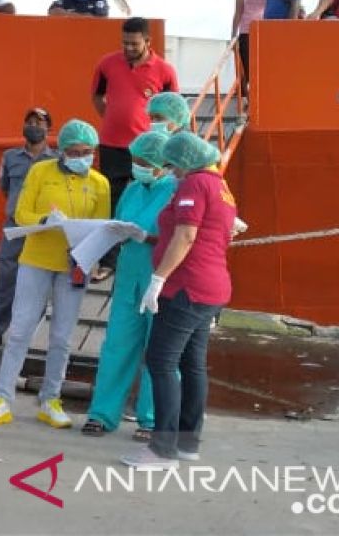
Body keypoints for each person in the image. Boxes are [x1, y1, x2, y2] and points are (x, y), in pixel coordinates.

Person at [0, 119, 110, 429]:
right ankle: (2, 398)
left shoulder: (100, 183)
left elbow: (100, 227)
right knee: (21, 330)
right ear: (62, 151)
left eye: (87, 151)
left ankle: (51, 399)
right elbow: (20, 213)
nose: (81, 157)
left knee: (62, 337)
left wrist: (85, 251)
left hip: (75, 264)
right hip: (36, 259)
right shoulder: (40, 172)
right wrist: (44, 219)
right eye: (75, 152)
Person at [122, 132, 236, 469]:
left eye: (172, 165)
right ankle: (188, 440)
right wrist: (152, 238)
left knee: (160, 361)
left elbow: (187, 235)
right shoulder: (221, 186)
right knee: (192, 363)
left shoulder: (194, 185)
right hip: (211, 286)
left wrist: (158, 279)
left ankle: (162, 448)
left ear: (185, 161)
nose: (170, 172)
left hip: (186, 288)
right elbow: (204, 235)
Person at [82, 131, 176, 440]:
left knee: (160, 351)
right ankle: (102, 414)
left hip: (161, 276)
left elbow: (184, 237)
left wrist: (146, 237)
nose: (137, 167)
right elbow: (120, 221)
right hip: (128, 276)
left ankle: (151, 419)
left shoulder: (176, 190)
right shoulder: (133, 189)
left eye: (143, 162)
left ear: (163, 163)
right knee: (117, 345)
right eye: (135, 161)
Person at [0, 106, 57, 347]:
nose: (34, 127)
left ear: (48, 129)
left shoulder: (56, 160)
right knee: (5, 280)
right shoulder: (10, 157)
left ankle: (31, 336)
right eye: (30, 122)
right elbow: (5, 187)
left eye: (40, 123)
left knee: (39, 284)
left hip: (42, 230)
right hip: (14, 227)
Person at [92, 17, 179, 210]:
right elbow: (97, 96)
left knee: (147, 195)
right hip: (111, 145)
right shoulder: (107, 64)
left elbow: (172, 109)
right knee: (112, 199)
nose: (129, 48)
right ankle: (115, 239)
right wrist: (111, 118)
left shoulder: (165, 71)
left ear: (148, 41)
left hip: (148, 148)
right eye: (125, 43)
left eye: (134, 44)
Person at [232, 0, 270, 89]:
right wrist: (233, 35)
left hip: (266, 30)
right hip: (246, 30)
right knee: (247, 66)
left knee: (265, 65)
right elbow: (238, 11)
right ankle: (247, 97)